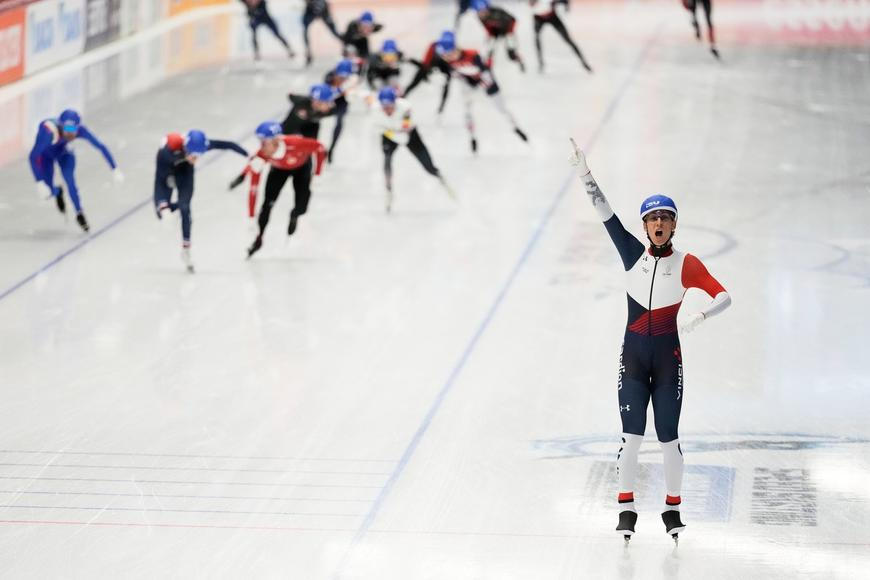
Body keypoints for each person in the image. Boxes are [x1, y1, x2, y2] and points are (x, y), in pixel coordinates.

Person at [568, 140, 732, 543]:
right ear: (644, 227)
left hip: (667, 362)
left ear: (675, 225)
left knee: (669, 438)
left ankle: (672, 507)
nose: (658, 223)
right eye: (652, 218)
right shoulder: (631, 254)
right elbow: (604, 214)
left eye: (666, 218)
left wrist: (701, 314)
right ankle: (626, 506)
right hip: (635, 361)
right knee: (631, 437)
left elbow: (724, 296)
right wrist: (586, 175)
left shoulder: (687, 264)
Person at [153, 130, 247, 272]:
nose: (196, 159)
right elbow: (160, 182)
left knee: (185, 208)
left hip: (185, 171)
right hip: (166, 170)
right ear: (185, 147)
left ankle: (186, 250)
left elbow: (229, 145)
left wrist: (249, 156)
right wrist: (163, 205)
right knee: (163, 214)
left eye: (199, 156)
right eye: (193, 155)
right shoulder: (168, 149)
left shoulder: (201, 145)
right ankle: (170, 210)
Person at [232, 122, 327, 258]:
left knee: (302, 207)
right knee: (267, 206)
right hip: (278, 171)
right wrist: (251, 216)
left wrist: (317, 173)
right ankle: (259, 239)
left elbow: (320, 148)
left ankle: (294, 216)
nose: (261, 146)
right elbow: (253, 188)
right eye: (260, 142)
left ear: (276, 140)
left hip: (302, 169)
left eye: (265, 142)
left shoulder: (295, 143)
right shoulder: (261, 155)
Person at [29, 109, 123, 233]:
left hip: (64, 153)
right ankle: (57, 192)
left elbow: (101, 147)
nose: (70, 134)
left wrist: (114, 168)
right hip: (46, 156)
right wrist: (39, 181)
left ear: (77, 128)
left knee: (70, 181)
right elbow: (33, 156)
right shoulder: (48, 132)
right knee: (48, 193)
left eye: (73, 130)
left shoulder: (81, 131)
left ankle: (79, 213)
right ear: (60, 125)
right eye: (67, 130)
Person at [435, 33, 528, 153]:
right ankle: (472, 137)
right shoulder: (446, 61)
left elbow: (486, 73)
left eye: (449, 54)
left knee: (501, 108)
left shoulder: (472, 55)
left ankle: (516, 128)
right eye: (444, 56)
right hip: (468, 82)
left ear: (456, 49)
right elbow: (454, 73)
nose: (448, 58)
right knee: (467, 109)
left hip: (485, 81)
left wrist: (486, 87)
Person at [374, 87, 455, 212]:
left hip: (409, 134)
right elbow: (378, 128)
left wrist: (391, 132)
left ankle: (440, 177)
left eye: (389, 105)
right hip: (389, 134)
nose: (387, 109)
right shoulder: (375, 110)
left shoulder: (405, 108)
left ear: (395, 102)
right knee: (387, 160)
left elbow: (404, 138)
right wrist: (389, 133)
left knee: (428, 166)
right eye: (384, 106)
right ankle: (388, 190)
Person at [530, 0, 593, 73]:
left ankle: (584, 62)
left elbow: (565, 1)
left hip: (552, 16)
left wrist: (565, 5)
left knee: (568, 39)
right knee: (537, 38)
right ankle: (540, 62)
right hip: (539, 18)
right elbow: (531, 4)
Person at [404, 31, 455, 115]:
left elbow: (453, 65)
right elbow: (426, 63)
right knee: (417, 79)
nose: (445, 54)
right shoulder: (433, 46)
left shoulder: (454, 50)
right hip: (432, 64)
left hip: (444, 66)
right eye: (442, 50)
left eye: (448, 51)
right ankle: (403, 96)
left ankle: (441, 109)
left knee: (446, 85)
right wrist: (427, 72)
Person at [471, 0, 526, 73]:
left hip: (507, 31)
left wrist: (510, 32)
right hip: (495, 32)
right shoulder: (480, 17)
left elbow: (513, 20)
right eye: (479, 12)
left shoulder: (497, 12)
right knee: (489, 50)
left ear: (487, 8)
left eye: (484, 11)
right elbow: (487, 27)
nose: (482, 14)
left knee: (511, 53)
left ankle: (520, 61)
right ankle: (488, 67)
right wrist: (490, 34)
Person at [302, 0, 342, 66]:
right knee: (305, 30)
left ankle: (346, 42)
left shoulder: (321, 4)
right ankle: (308, 52)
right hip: (312, 8)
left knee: (334, 31)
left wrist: (319, 11)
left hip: (321, 7)